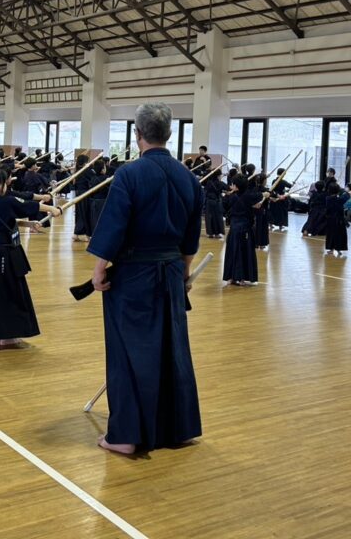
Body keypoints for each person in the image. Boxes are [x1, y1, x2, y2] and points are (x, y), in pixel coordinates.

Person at [88, 102, 203, 454]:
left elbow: (114, 226)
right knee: (172, 349)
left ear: (137, 134)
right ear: (169, 134)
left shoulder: (130, 174)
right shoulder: (189, 178)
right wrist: (184, 271)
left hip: (134, 275)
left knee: (128, 351)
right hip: (171, 271)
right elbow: (191, 237)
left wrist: (98, 269)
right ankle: (178, 429)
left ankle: (125, 435)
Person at [0, 167, 61, 348]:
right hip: (2, 253)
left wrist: (28, 223)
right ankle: (7, 336)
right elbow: (26, 206)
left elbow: (4, 220)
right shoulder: (4, 201)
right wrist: (52, 208)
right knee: (9, 292)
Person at [222, 174, 265, 287]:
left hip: (234, 228)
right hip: (245, 228)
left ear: (236, 186)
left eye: (233, 184)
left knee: (233, 251)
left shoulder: (231, 197)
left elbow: (225, 207)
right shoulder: (249, 196)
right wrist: (266, 194)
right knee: (243, 251)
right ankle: (240, 277)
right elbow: (260, 195)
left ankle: (232, 277)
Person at [323, 181, 351, 257]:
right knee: (339, 235)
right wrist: (349, 193)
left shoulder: (328, 199)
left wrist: (347, 193)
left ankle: (331, 249)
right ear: (338, 191)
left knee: (331, 235)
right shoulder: (338, 199)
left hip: (330, 220)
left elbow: (342, 197)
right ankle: (338, 249)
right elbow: (345, 197)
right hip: (339, 221)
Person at [203, 170, 226, 239]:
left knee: (209, 218)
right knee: (217, 218)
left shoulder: (208, 182)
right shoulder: (220, 183)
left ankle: (210, 233)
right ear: (218, 176)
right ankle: (217, 234)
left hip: (208, 202)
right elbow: (228, 188)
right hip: (216, 202)